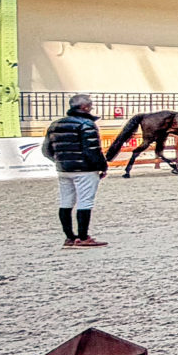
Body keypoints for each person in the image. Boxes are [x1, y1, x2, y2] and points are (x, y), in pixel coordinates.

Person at [42, 92, 110, 247]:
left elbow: (46, 150)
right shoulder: (86, 125)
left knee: (66, 201)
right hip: (85, 169)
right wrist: (102, 166)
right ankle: (83, 236)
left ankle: (70, 237)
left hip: (63, 169)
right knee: (85, 201)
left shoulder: (55, 124)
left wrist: (60, 160)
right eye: (90, 105)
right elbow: (92, 150)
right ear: (85, 107)